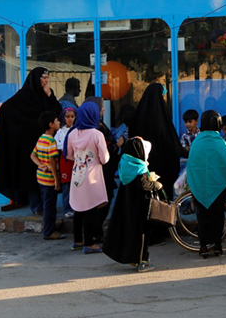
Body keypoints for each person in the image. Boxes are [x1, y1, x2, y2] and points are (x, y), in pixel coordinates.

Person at [0, 67, 63, 212]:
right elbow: (7, 108)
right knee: (30, 175)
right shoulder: (23, 97)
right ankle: (37, 206)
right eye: (43, 78)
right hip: (27, 146)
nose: (46, 81)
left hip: (44, 145)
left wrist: (50, 95)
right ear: (36, 80)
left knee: (46, 174)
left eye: (47, 78)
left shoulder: (45, 97)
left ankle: (44, 206)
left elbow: (56, 114)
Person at [104, 137, 162, 272]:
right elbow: (145, 185)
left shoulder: (125, 163)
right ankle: (142, 261)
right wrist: (157, 184)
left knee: (130, 232)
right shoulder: (139, 168)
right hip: (140, 208)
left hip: (127, 207)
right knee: (142, 234)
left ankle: (132, 258)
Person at [126, 83, 182, 206]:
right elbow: (172, 146)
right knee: (162, 204)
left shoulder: (138, 118)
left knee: (144, 203)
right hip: (163, 170)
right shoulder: (163, 121)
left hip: (142, 169)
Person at [186, 110, 226, 258]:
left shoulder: (197, 142)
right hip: (218, 186)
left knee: (202, 216)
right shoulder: (220, 142)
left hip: (199, 185)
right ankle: (217, 245)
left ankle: (203, 247)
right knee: (218, 216)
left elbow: (192, 165)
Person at [65, 102, 111, 254]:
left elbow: (69, 155)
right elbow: (104, 159)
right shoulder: (97, 134)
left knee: (79, 208)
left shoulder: (72, 133)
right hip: (93, 176)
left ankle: (78, 240)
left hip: (77, 174)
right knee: (91, 208)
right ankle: (89, 243)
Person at [30, 111, 65, 240]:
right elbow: (52, 160)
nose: (59, 122)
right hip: (49, 179)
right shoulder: (51, 141)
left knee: (46, 204)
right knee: (49, 206)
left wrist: (40, 165)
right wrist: (56, 180)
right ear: (51, 124)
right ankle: (49, 232)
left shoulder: (41, 138)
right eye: (56, 120)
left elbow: (33, 155)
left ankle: (49, 228)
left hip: (41, 178)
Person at [54, 107, 76, 218]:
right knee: (66, 186)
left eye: (72, 116)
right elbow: (56, 145)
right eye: (67, 117)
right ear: (63, 118)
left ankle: (76, 208)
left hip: (75, 161)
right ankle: (67, 209)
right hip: (65, 161)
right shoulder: (60, 131)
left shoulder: (77, 130)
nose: (70, 119)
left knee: (76, 185)